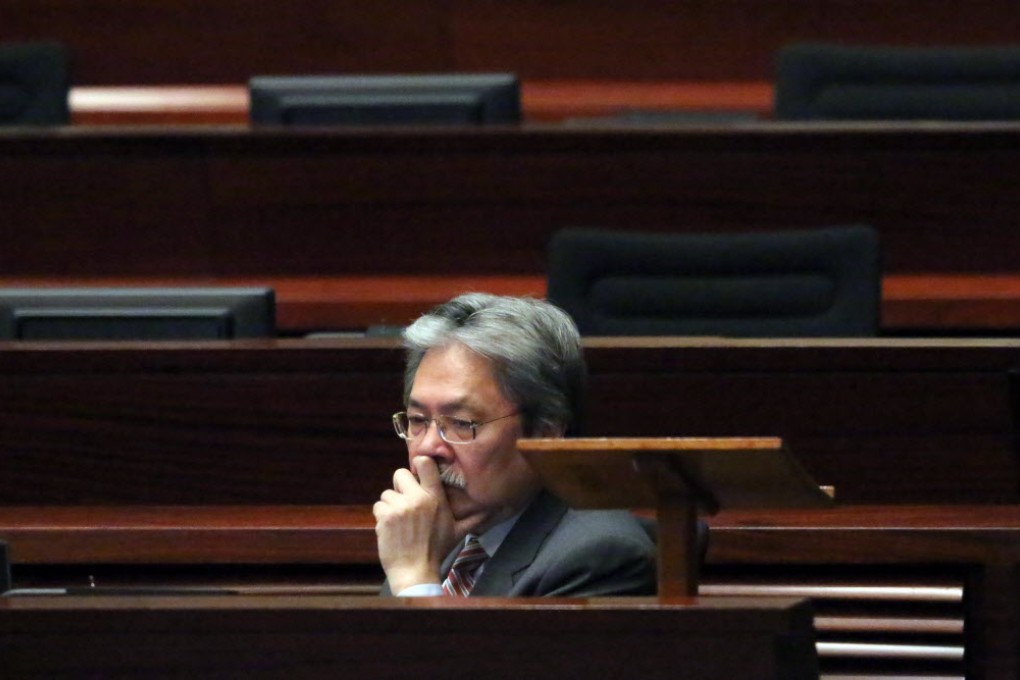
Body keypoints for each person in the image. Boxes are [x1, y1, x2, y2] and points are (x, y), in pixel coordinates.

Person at [373, 293, 656, 597]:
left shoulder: (599, 557)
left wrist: (416, 580)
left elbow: (443, 646)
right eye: (417, 420)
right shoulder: (433, 533)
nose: (428, 448)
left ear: (544, 435)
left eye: (461, 423)